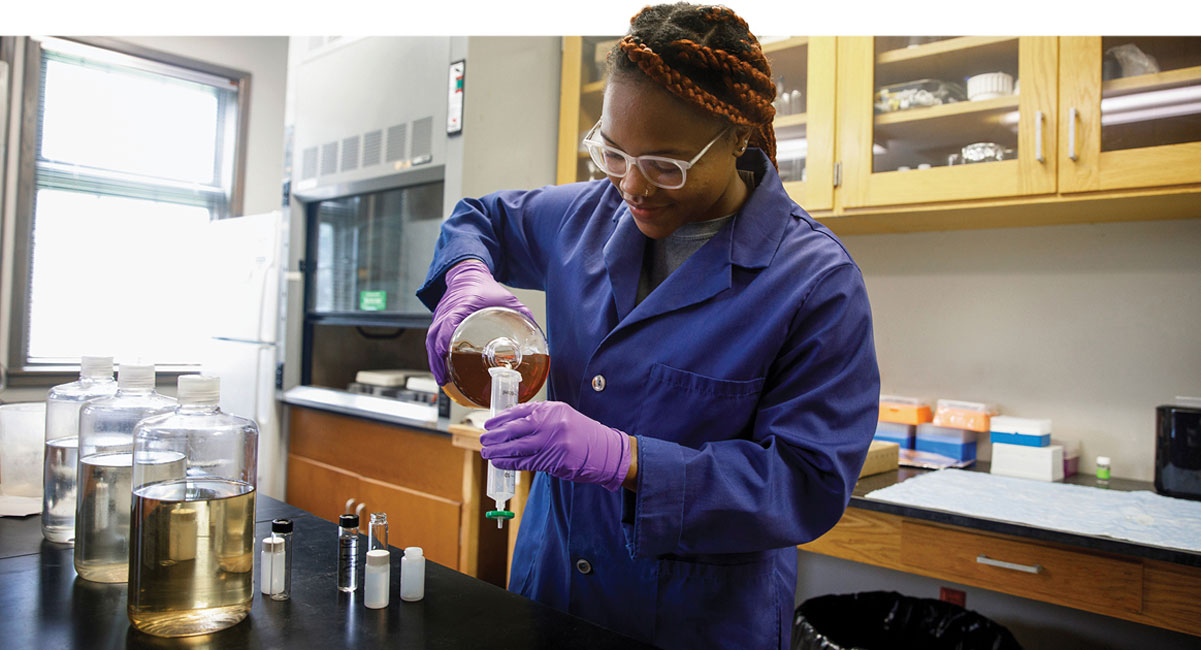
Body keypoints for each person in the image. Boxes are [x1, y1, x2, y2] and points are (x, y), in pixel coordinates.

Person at [417, 4, 879, 648]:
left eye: (667, 165)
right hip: (553, 585)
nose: (632, 187)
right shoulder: (586, 214)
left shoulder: (812, 282)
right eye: (612, 152)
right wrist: (468, 282)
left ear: (739, 135)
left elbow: (806, 482)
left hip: (698, 620)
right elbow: (478, 218)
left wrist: (627, 460)